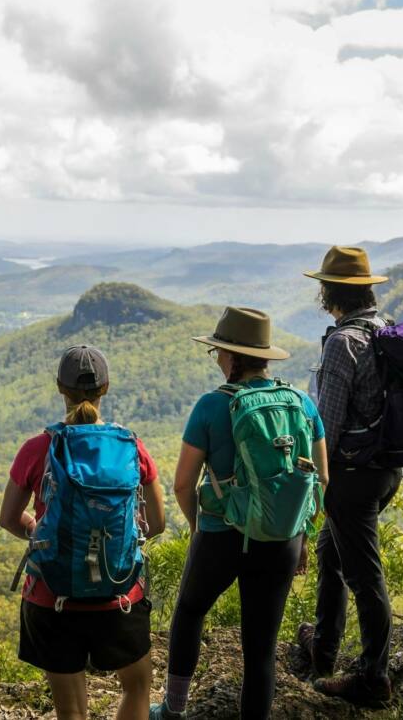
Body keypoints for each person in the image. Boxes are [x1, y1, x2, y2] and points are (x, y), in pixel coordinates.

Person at [151, 307, 328, 720]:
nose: (216, 359)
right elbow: (320, 480)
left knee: (191, 612)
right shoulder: (301, 403)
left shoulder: (211, 406)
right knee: (261, 648)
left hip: (221, 533)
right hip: (281, 538)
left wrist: (200, 527)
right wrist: (300, 533)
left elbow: (182, 483)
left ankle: (173, 710)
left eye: (218, 353)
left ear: (230, 357)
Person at [0, 345, 166, 720]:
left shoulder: (38, 448)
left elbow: (9, 518)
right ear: (105, 388)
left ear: (61, 388)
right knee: (138, 685)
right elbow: (156, 524)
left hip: (52, 596)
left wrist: (44, 533)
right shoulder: (131, 447)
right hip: (119, 593)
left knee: (71, 710)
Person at [293, 246, 401, 708]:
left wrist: (312, 483)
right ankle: (324, 646)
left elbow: (327, 427)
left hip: (352, 477)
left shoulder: (343, 342)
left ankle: (373, 678)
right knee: (330, 552)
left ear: (328, 293)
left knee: (363, 575)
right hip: (385, 470)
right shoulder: (385, 331)